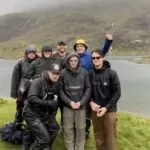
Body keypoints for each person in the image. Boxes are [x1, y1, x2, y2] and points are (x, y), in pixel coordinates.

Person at [73, 33, 113, 139]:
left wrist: (108, 41)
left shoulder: (90, 56)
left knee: (87, 111)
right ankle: (76, 130)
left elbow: (102, 52)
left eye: (81, 46)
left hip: (88, 87)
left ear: (85, 47)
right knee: (77, 110)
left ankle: (86, 131)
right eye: (77, 46)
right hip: (76, 89)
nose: (79, 48)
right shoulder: (73, 58)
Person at [22, 63, 61, 150]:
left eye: (57, 73)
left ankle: (46, 148)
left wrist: (52, 115)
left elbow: (56, 99)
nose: (55, 76)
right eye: (53, 73)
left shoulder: (56, 83)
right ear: (48, 72)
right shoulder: (38, 81)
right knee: (44, 138)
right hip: (31, 113)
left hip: (44, 113)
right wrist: (48, 103)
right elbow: (31, 98)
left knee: (54, 129)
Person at [89, 49, 121, 150]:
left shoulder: (112, 73)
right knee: (98, 137)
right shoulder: (89, 74)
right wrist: (91, 102)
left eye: (98, 57)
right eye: (93, 58)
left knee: (110, 138)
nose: (95, 60)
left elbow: (117, 93)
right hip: (95, 110)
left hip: (109, 111)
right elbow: (87, 91)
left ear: (102, 58)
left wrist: (106, 108)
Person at [59, 52, 91, 150]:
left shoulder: (84, 72)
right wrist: (70, 102)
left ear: (78, 61)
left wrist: (81, 102)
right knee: (68, 129)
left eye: (75, 61)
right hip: (68, 106)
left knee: (81, 129)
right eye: (71, 61)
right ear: (68, 61)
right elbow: (61, 91)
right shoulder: (63, 73)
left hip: (81, 107)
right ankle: (70, 148)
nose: (73, 63)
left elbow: (88, 89)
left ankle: (79, 148)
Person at [10, 44, 38, 125]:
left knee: (31, 107)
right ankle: (18, 123)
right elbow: (15, 78)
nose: (32, 54)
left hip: (33, 89)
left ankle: (30, 125)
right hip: (22, 89)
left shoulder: (38, 62)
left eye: (33, 52)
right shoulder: (20, 63)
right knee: (20, 106)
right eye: (30, 52)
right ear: (26, 53)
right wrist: (14, 93)